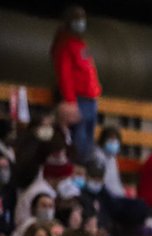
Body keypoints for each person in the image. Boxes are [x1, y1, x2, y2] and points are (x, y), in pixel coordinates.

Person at [51, 5, 101, 164]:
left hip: (90, 98)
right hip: (78, 100)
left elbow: (89, 70)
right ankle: (74, 168)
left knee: (87, 138)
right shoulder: (64, 45)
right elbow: (64, 75)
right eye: (77, 20)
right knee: (78, 139)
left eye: (82, 20)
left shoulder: (81, 44)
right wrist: (70, 101)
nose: (81, 23)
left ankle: (83, 168)